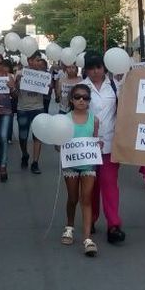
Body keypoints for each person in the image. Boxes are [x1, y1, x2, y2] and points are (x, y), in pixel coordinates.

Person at [82, 54, 125, 244]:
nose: (95, 71)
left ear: (104, 68)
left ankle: (113, 225)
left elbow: (125, 110)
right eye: (91, 68)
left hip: (110, 144)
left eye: (98, 67)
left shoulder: (115, 86)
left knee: (109, 185)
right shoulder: (82, 88)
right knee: (91, 186)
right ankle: (90, 219)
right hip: (88, 145)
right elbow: (73, 113)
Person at [61, 83, 101, 257]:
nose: (81, 100)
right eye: (77, 97)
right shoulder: (65, 119)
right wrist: (59, 145)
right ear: (71, 99)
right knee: (72, 198)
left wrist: (98, 145)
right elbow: (58, 143)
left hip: (88, 165)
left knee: (86, 199)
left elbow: (95, 139)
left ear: (89, 100)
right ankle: (69, 226)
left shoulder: (95, 119)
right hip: (70, 165)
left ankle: (87, 238)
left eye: (85, 97)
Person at [16, 53, 51, 174]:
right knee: (23, 136)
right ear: (29, 61)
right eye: (36, 60)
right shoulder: (20, 74)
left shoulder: (44, 75)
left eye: (39, 60)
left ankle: (35, 162)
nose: (38, 62)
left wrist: (49, 87)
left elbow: (47, 94)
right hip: (23, 109)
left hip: (38, 107)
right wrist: (17, 82)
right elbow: (15, 94)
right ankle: (25, 154)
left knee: (38, 136)